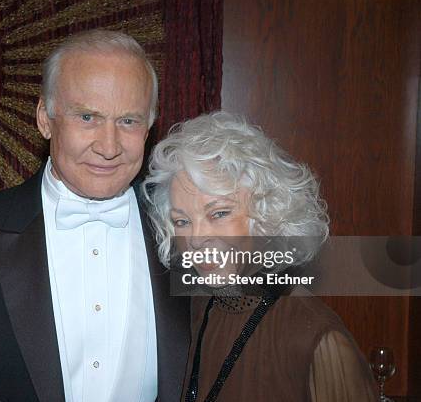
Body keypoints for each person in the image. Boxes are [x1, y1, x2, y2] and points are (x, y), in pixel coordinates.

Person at [0, 30, 190, 402]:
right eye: (87, 117)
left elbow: (275, 291)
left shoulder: (188, 230)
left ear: (149, 127)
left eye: (128, 121)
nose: (109, 146)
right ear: (45, 120)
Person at [141, 111, 378, 401]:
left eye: (219, 214)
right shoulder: (198, 309)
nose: (195, 239)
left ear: (267, 215)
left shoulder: (314, 338)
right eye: (181, 221)